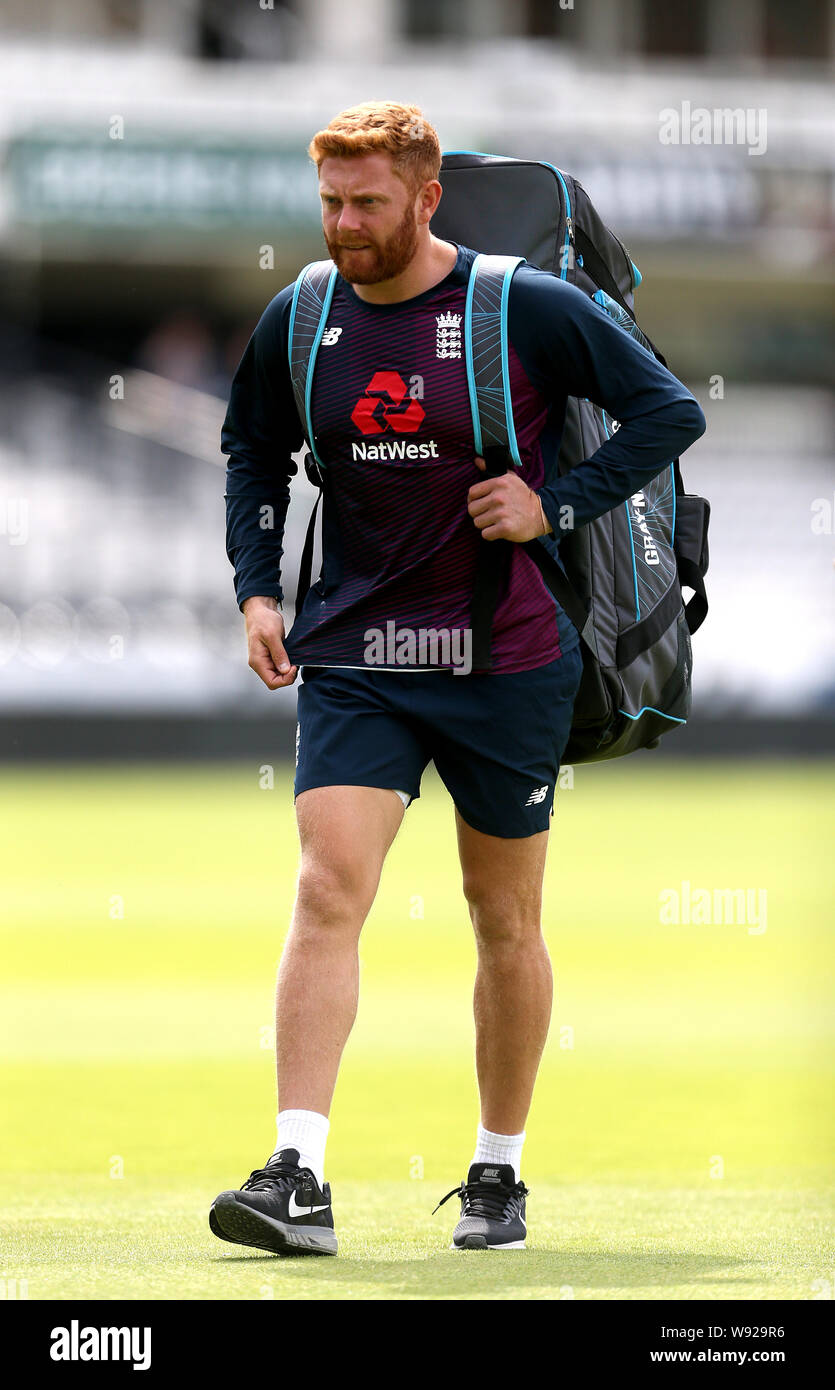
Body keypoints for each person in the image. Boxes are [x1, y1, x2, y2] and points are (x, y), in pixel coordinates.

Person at [210, 101, 706, 1257]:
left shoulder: (518, 305)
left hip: (510, 659)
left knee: (501, 916)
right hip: (358, 658)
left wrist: (555, 503)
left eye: (366, 202)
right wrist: (257, 587)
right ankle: (297, 1173)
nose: (343, 224)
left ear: (426, 198)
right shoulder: (301, 316)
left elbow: (666, 411)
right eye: (329, 201)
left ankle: (497, 1174)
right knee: (328, 888)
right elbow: (252, 448)